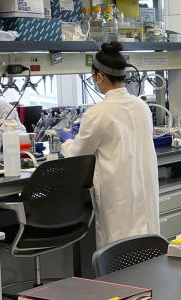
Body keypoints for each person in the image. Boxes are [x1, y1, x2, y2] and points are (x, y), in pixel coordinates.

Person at [61, 42, 159, 247]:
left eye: (93, 77)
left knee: (118, 256)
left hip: (118, 197)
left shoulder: (98, 113)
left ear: (100, 77)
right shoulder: (142, 106)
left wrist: (66, 141)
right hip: (143, 192)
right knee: (146, 252)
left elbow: (78, 155)